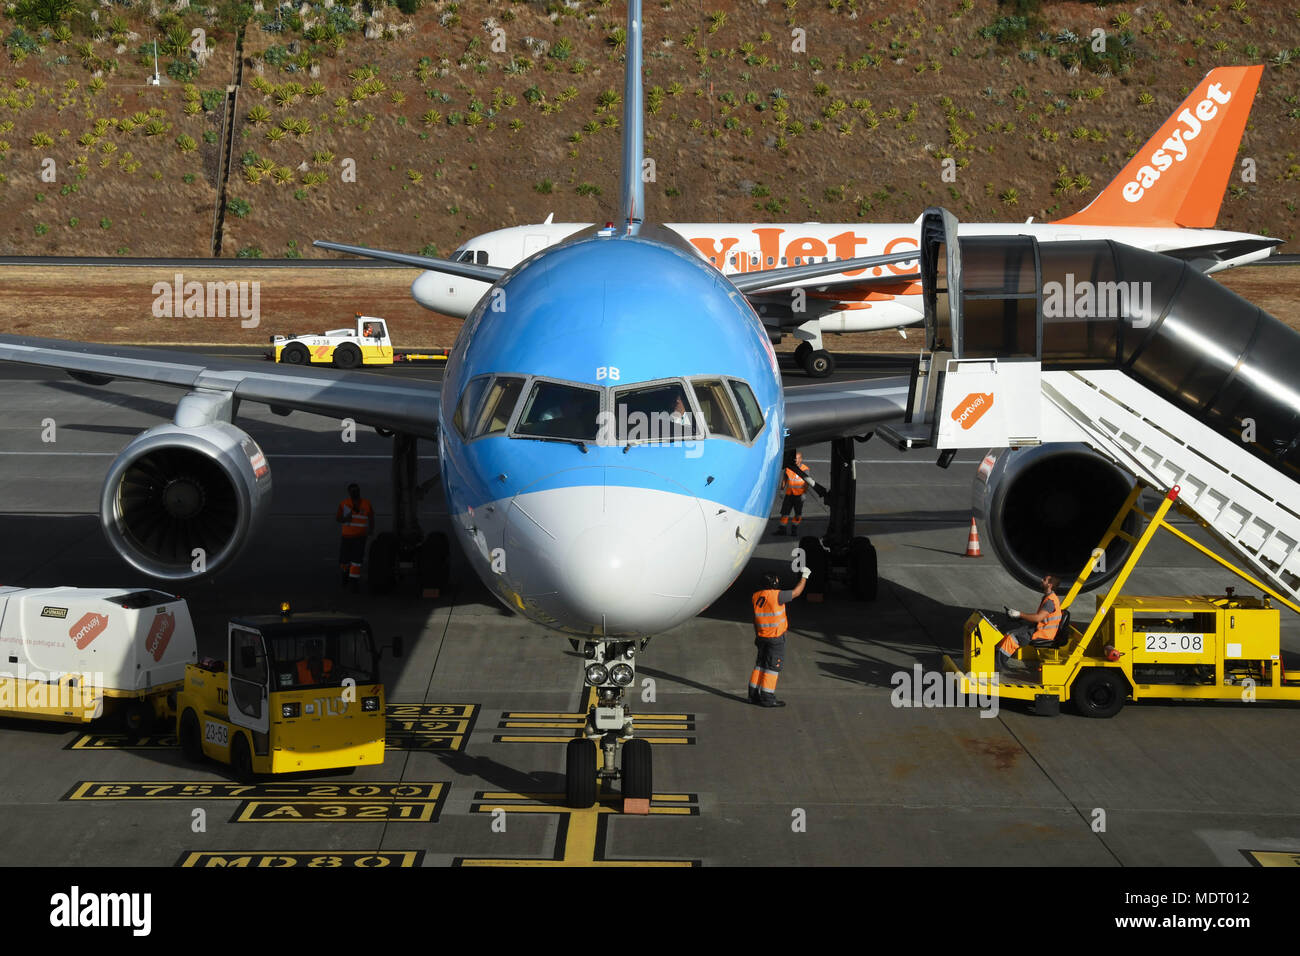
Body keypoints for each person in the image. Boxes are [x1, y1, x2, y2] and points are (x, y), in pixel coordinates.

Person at [748, 567, 812, 707]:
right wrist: (805, 576)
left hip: (761, 637)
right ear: (773, 582)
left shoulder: (756, 596)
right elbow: (796, 592)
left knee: (760, 665)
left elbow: (755, 618)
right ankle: (767, 698)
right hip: (775, 639)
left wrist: (758, 634)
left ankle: (753, 695)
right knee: (772, 668)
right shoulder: (777, 596)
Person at [997, 574, 1063, 673]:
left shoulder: (1050, 601)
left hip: (1043, 634)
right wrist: (1018, 618)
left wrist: (1019, 614)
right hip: (1040, 629)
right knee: (1008, 633)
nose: (1041, 580)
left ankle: (997, 666)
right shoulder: (1048, 597)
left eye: (1044, 579)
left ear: (1049, 585)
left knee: (1012, 638)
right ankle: (995, 658)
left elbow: (1038, 618)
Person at [774, 449, 823, 536]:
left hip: (799, 495)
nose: (795, 460)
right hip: (789, 494)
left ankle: (794, 529)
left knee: (798, 514)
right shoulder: (789, 467)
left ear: (801, 459)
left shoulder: (805, 469)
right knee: (784, 513)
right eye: (794, 459)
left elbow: (806, 483)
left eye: (797, 458)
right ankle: (782, 529)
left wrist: (804, 493)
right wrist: (782, 490)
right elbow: (784, 479)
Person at [336, 482, 374, 591]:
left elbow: (371, 517)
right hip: (347, 537)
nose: (355, 493)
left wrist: (371, 529)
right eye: (353, 491)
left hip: (360, 537)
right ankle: (345, 574)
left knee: (356, 561)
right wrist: (345, 519)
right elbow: (338, 518)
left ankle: (354, 582)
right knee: (344, 561)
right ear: (349, 492)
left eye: (356, 490)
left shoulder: (366, 504)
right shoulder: (344, 504)